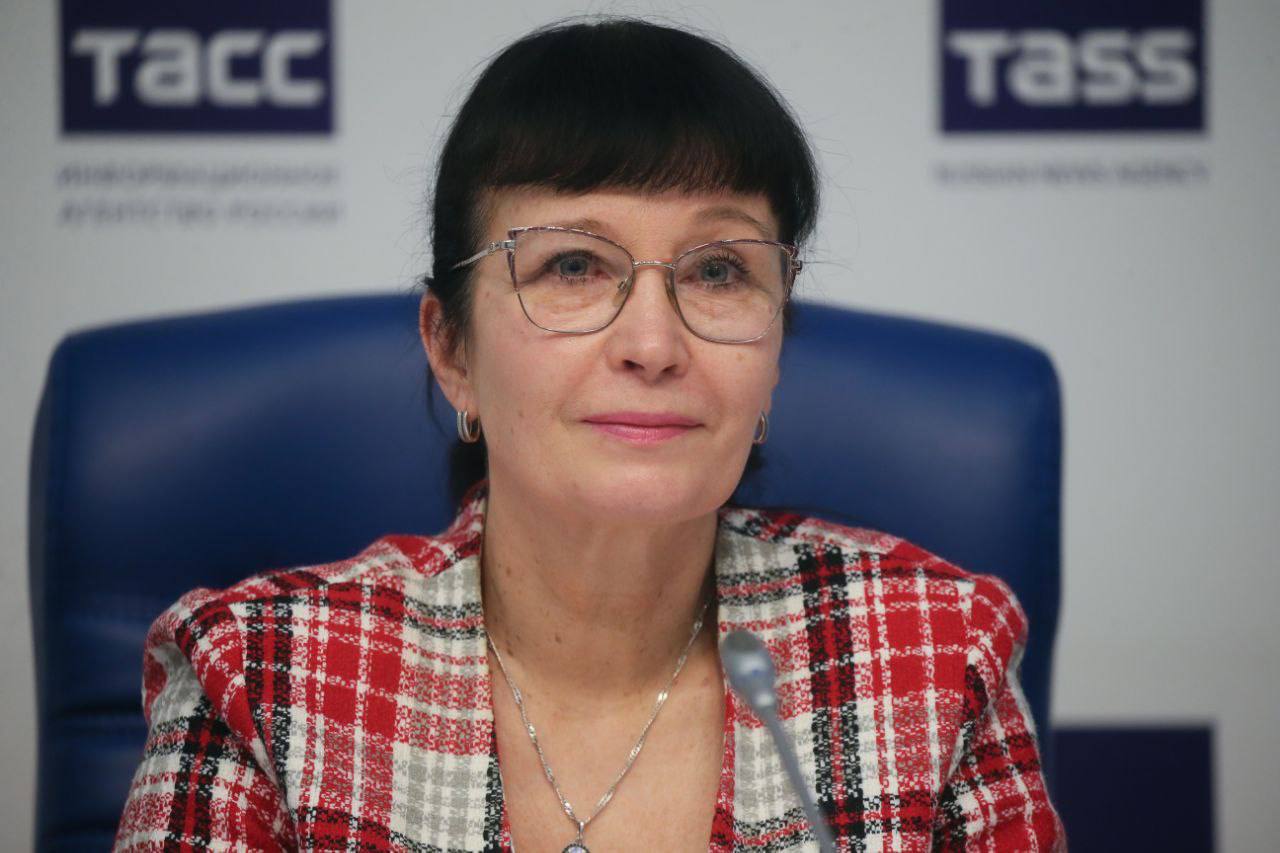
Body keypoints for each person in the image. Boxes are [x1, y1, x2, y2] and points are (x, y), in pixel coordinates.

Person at [113, 17, 1066, 852]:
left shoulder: (940, 655)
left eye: (719, 271)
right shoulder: (260, 679)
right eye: (573, 264)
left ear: (776, 348)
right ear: (450, 350)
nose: (653, 345)